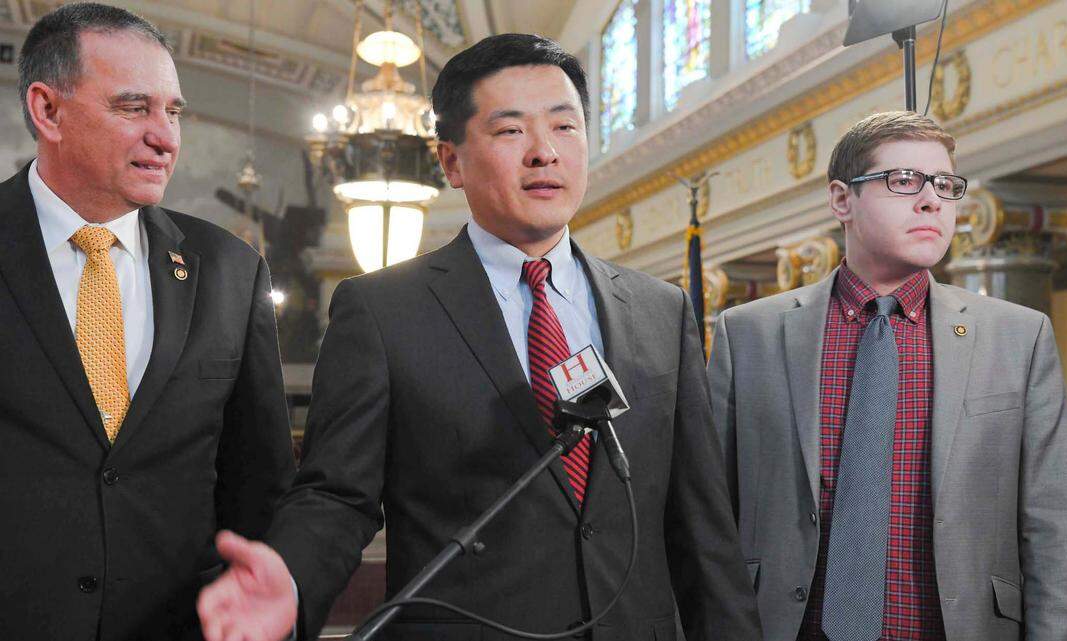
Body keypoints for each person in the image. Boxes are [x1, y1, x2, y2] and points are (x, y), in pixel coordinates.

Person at [197, 34, 763, 641]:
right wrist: (291, 577)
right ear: (451, 163)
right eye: (511, 131)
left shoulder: (659, 308)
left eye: (565, 127)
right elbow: (339, 496)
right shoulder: (383, 310)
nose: (545, 152)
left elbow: (701, 524)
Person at [707, 110, 1067, 640]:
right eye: (904, 181)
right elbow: (709, 515)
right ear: (842, 199)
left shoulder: (1017, 337)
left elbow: (1056, 529)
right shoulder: (749, 333)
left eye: (945, 185)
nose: (932, 200)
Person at [0, 4, 296, 640]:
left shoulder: (230, 270)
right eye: (135, 108)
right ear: (46, 110)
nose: (166, 137)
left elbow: (260, 484)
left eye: (175, 111)